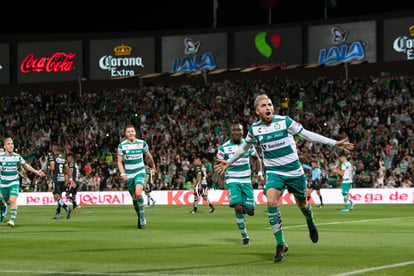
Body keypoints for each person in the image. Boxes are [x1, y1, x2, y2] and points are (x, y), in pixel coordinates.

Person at [214, 94, 354, 262]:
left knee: (302, 204)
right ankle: (280, 244)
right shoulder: (254, 129)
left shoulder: (285, 122)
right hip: (274, 172)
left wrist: (334, 143)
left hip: (294, 171)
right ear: (257, 110)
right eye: (264, 105)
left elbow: (307, 135)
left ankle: (309, 220)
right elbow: (243, 148)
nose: (268, 108)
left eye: (270, 105)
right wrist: (228, 162)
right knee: (271, 202)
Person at [216, 123, 264, 245]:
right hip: (232, 179)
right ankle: (245, 237)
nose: (237, 132)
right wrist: (220, 180)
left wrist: (259, 173)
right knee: (237, 207)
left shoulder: (248, 145)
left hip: (246, 180)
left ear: (243, 132)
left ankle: (243, 208)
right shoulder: (223, 148)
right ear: (230, 132)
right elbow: (218, 165)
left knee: (250, 212)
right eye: (234, 130)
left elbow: (257, 159)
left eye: (239, 130)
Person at [118, 124, 156, 229]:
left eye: (132, 131)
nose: (130, 133)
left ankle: (142, 217)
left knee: (139, 193)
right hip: (129, 174)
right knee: (134, 198)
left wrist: (153, 167)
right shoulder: (122, 146)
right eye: (128, 132)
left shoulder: (142, 143)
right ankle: (139, 216)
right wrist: (122, 173)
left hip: (140, 171)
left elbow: (148, 156)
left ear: (135, 133)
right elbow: (120, 162)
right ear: (125, 134)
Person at [0, 138, 45, 226]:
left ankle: (12, 220)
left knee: (13, 200)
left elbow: (26, 166)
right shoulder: (1, 157)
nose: (11, 145)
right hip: (2, 183)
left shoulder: (17, 156)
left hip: (13, 182)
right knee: (3, 201)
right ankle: (3, 206)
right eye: (8, 144)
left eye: (12, 143)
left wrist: (36, 171)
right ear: (5, 146)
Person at [49, 144, 73, 219]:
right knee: (60, 197)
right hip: (62, 179)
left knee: (56, 197)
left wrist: (49, 167)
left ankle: (66, 208)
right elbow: (68, 170)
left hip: (56, 179)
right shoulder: (63, 159)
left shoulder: (52, 157)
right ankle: (58, 213)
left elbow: (52, 168)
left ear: (54, 149)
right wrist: (69, 179)